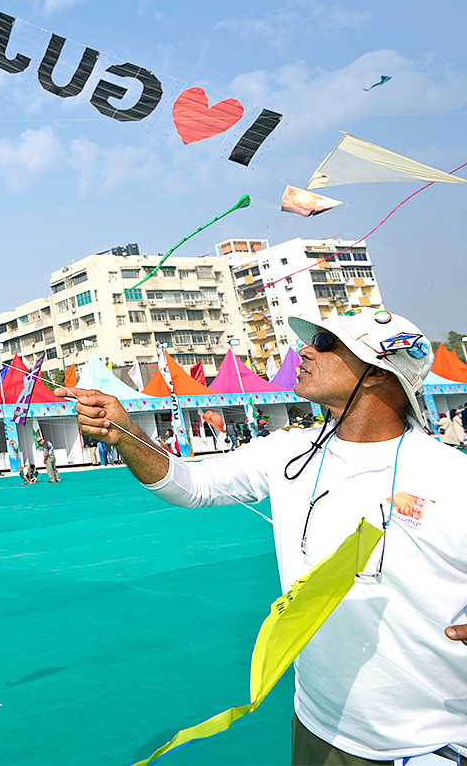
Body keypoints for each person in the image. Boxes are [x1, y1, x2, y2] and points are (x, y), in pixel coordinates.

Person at [67, 308, 467, 763]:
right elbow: (194, 486)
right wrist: (126, 432)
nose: (306, 350)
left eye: (327, 343)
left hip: (433, 744)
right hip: (318, 727)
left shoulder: (454, 476)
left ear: (377, 373)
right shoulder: (287, 450)